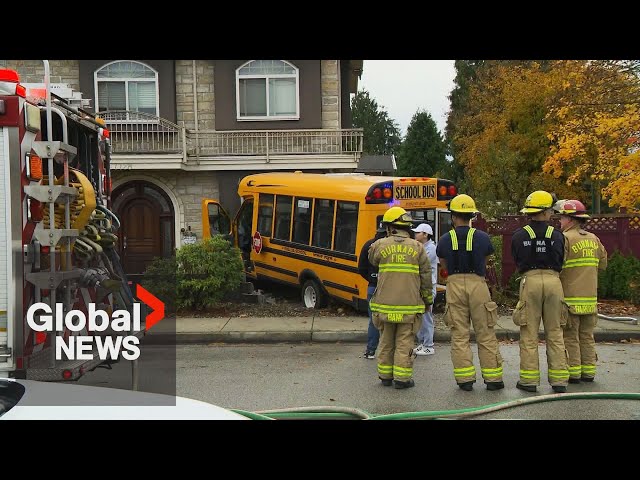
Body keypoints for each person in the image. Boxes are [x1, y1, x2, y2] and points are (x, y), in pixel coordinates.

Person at [436, 194, 504, 391]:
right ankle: (493, 380)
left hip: (454, 285)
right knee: (485, 332)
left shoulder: (445, 239)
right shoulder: (482, 237)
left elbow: (443, 265)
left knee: (459, 334)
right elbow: (487, 259)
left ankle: (465, 380)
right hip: (478, 285)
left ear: (454, 216)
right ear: (471, 216)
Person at [368, 206, 433, 389]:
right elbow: (426, 277)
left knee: (386, 340)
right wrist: (427, 300)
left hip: (385, 306)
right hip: (409, 306)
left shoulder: (380, 245)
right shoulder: (418, 248)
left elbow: (371, 260)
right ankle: (402, 379)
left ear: (389, 227)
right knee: (405, 342)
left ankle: (385, 376)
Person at [511, 190, 568, 393]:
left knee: (529, 333)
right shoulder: (558, 235)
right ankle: (559, 381)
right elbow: (563, 259)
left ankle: (529, 381)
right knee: (555, 332)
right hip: (554, 282)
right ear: (546, 211)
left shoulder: (519, 235)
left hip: (530, 282)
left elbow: (517, 260)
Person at [554, 199, 608, 383]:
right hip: (590, 300)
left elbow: (558, 267)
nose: (560, 221)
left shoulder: (566, 239)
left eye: (561, 218)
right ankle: (589, 373)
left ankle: (574, 373)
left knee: (570, 337)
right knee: (587, 337)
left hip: (571, 299)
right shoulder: (594, 239)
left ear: (570, 219)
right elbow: (603, 265)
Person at [358, 223, 387, 359]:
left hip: (372, 287)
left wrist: (371, 278)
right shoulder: (390, 247)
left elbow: (361, 267)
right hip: (389, 288)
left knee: (373, 320)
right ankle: (388, 351)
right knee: (391, 320)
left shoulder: (369, 245)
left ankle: (370, 350)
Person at [411, 223, 438, 356]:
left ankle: (429, 345)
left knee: (427, 316)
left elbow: (420, 263)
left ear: (425, 234)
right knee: (421, 316)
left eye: (418, 232)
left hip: (428, 287)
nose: (415, 235)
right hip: (420, 286)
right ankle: (422, 343)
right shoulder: (420, 247)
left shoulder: (431, 248)